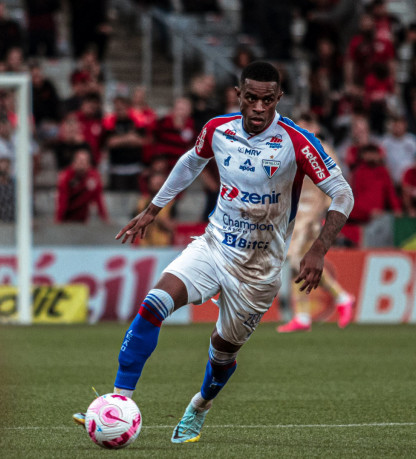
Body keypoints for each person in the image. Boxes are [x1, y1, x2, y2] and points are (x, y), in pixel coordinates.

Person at [70, 62, 354, 443]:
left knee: (223, 351)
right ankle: (118, 404)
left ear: (278, 99)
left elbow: (343, 193)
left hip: (259, 271)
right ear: (239, 94)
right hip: (214, 246)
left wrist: (319, 248)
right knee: (154, 304)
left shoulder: (297, 142)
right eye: (250, 97)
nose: (257, 107)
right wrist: (153, 210)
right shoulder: (218, 129)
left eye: (267, 100)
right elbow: (191, 161)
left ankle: (200, 405)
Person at [277, 139, 354, 333]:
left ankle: (338, 299)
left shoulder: (322, 150)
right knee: (299, 264)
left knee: (297, 262)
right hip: (296, 216)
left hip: (310, 218)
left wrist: (326, 211)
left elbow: (334, 182)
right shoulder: (291, 147)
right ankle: (329, 304)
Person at [55, 148, 108, 223]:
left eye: (84, 161)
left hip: (83, 219)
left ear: (89, 164)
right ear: (74, 163)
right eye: (79, 161)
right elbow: (62, 201)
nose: (82, 164)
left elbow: (99, 199)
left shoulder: (94, 177)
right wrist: (59, 221)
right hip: (67, 218)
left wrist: (105, 219)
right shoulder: (66, 177)